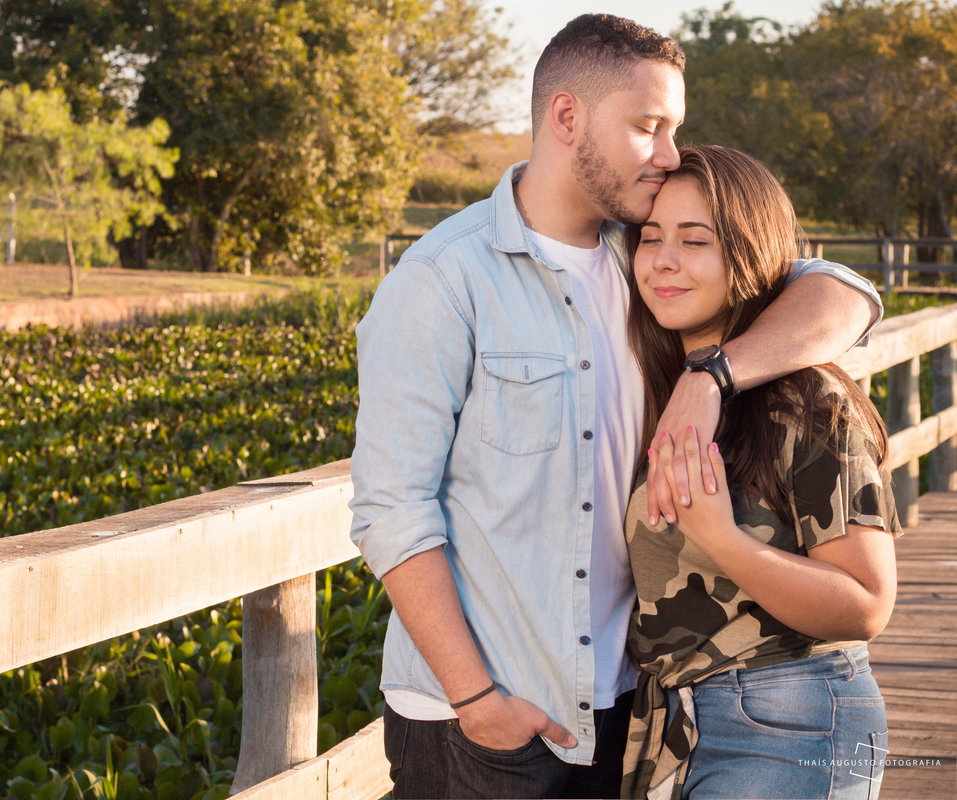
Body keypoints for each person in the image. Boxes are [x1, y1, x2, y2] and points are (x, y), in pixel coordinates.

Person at [349, 14, 883, 799]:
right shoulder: (441, 281)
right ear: (567, 117)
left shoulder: (648, 259)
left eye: (675, 130)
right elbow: (392, 509)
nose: (668, 154)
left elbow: (843, 291)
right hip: (488, 718)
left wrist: (711, 378)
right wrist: (477, 699)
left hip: (632, 712)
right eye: (648, 127)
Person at [620, 145, 899, 800]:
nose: (663, 259)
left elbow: (867, 604)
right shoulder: (655, 385)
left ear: (746, 257)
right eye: (651, 238)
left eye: (695, 241)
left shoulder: (805, 400)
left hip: (786, 717)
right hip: (676, 721)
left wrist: (723, 539)